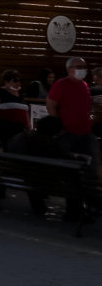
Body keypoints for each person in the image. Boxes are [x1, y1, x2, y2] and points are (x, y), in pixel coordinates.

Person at [46, 57, 95, 221]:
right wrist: (59, 127)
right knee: (72, 173)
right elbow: (51, 104)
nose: (83, 69)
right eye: (78, 66)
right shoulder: (61, 85)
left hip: (85, 133)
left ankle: (86, 207)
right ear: (69, 69)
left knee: (88, 172)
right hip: (68, 134)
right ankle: (73, 210)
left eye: (84, 66)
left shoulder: (84, 85)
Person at [0, 69, 30, 151]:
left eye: (19, 81)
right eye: (15, 81)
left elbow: (25, 113)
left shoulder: (20, 95)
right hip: (5, 131)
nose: (18, 83)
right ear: (6, 81)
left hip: (20, 131)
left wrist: (29, 127)